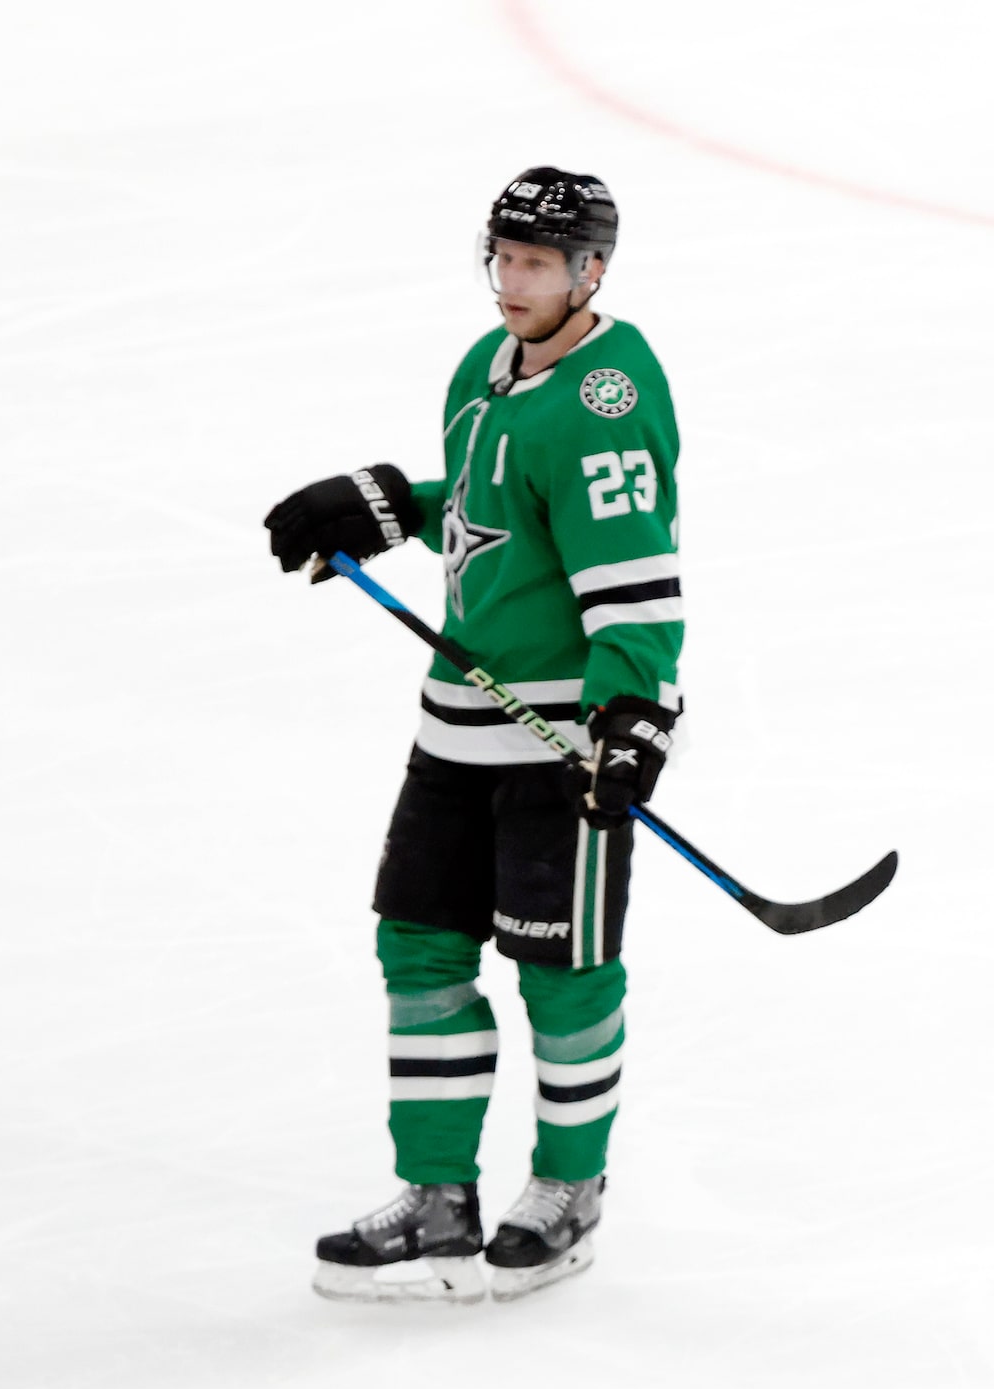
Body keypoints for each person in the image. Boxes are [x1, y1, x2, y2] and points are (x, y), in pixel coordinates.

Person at [263, 168, 682, 1305]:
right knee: (420, 949)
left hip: (557, 740)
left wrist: (633, 714)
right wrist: (398, 500)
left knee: (563, 969)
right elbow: (503, 499)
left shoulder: (607, 396)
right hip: (457, 729)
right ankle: (438, 1198)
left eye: (537, 263)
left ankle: (568, 1186)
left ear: (590, 271)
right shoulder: (483, 370)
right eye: (501, 257)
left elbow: (630, 568)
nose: (512, 281)